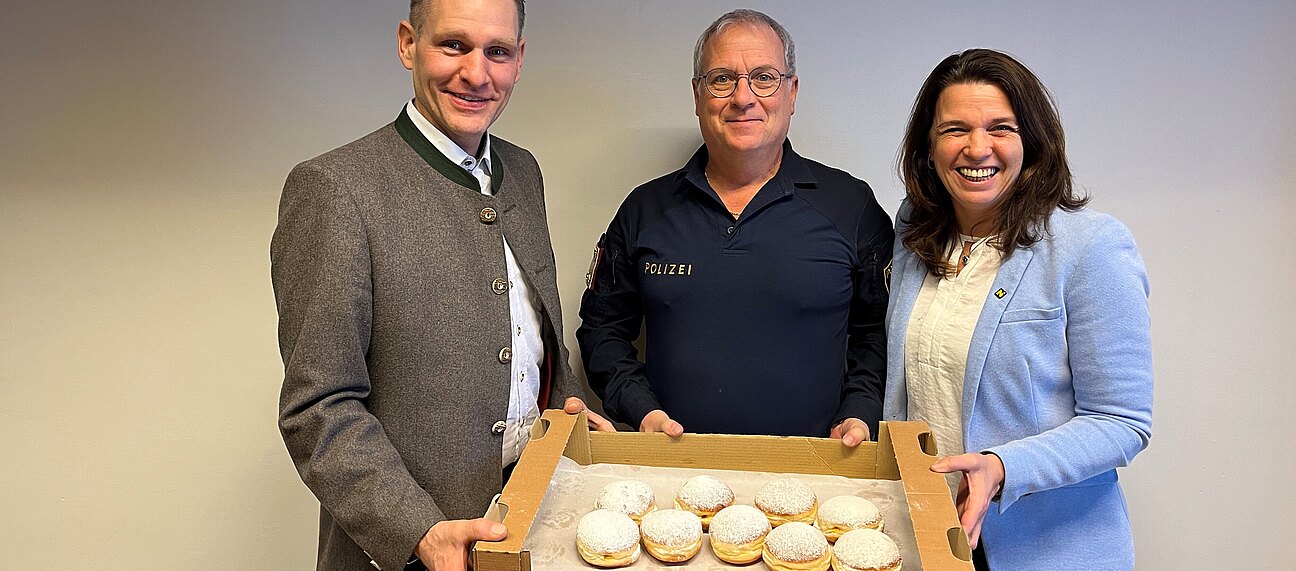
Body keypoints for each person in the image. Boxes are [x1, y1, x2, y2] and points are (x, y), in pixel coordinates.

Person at [270, 1, 608, 570]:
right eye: (454, 45)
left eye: (497, 52)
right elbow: (318, 406)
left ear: (519, 60)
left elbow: (527, 328)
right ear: (408, 44)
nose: (477, 74)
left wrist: (562, 398)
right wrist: (418, 530)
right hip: (411, 553)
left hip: (529, 525)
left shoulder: (523, 171)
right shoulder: (334, 188)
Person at [884, 48, 1153, 570]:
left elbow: (1122, 421)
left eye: (1000, 128)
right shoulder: (914, 230)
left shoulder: (1091, 247)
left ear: (1032, 141)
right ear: (928, 147)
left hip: (1041, 549)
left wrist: (1001, 466)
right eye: (954, 129)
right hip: (921, 535)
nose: (977, 148)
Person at [577, 9, 892, 445]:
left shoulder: (850, 206)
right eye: (722, 78)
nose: (743, 98)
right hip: (673, 474)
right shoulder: (644, 210)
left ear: (792, 92)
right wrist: (640, 409)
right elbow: (602, 329)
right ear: (697, 94)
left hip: (817, 475)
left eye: (764, 78)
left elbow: (878, 333)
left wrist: (860, 413)